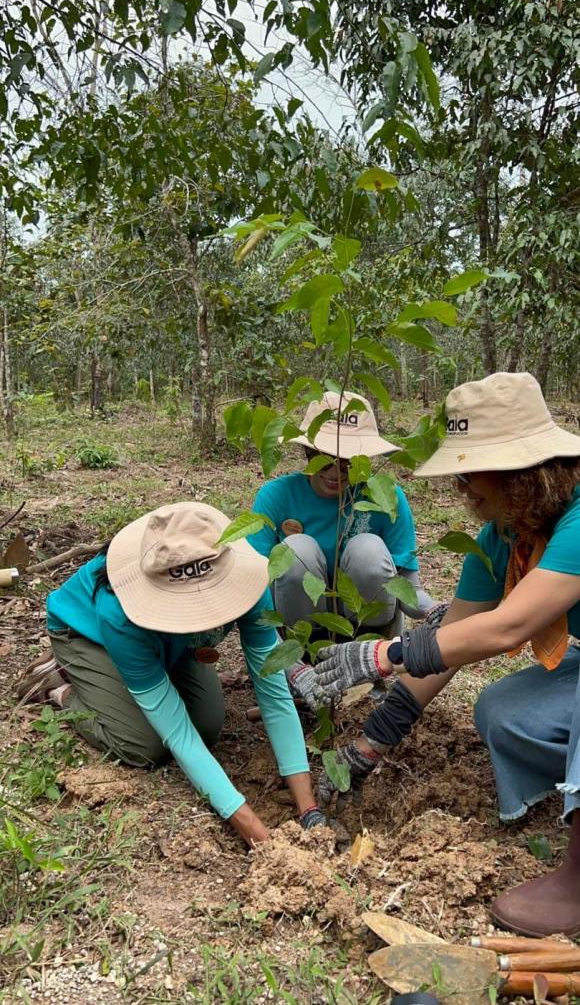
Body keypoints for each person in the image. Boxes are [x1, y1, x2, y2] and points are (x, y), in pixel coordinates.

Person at [307, 373, 580, 937]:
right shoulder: (504, 538)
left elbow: (509, 626)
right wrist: (369, 745)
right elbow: (456, 636)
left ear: (520, 471)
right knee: (503, 711)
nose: (461, 486)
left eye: (470, 469)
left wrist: (383, 655)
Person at [19, 502, 324, 845]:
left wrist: (308, 807)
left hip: (173, 643)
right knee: (144, 746)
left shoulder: (250, 586)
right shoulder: (119, 612)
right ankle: (61, 685)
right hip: (90, 635)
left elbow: (274, 694)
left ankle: (112, 678)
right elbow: (176, 731)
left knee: (208, 725)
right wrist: (249, 825)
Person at [249, 390, 438, 710]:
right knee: (295, 550)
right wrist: (282, 660)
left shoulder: (384, 495)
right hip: (298, 637)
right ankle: (304, 663)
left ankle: (364, 666)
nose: (336, 471)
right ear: (308, 450)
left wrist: (437, 613)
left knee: (368, 548)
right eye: (324, 457)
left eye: (348, 460)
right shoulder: (277, 496)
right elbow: (252, 591)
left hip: (366, 639)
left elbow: (408, 588)